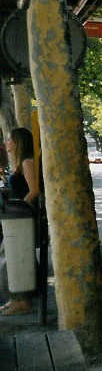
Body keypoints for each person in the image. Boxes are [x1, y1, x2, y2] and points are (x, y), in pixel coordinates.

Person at [0, 127, 38, 316]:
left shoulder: (27, 162)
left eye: (9, 139)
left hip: (23, 217)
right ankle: (16, 299)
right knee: (14, 257)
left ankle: (22, 301)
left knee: (15, 258)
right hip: (17, 217)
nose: (6, 142)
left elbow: (34, 191)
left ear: (18, 143)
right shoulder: (19, 163)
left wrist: (21, 207)